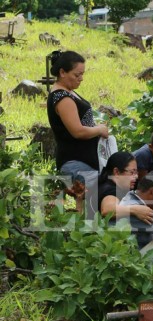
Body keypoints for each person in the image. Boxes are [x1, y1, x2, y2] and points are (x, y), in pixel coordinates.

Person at [46, 50, 110, 215]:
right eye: (77, 74)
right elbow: (78, 131)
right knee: (89, 210)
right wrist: (99, 129)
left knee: (88, 207)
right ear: (62, 72)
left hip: (85, 160)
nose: (81, 78)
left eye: (82, 74)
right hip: (75, 161)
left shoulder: (69, 92)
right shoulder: (62, 98)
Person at [97, 151, 153, 225]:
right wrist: (135, 210)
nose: (136, 176)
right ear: (116, 172)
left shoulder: (105, 185)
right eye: (132, 172)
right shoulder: (110, 190)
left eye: (136, 172)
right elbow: (107, 210)